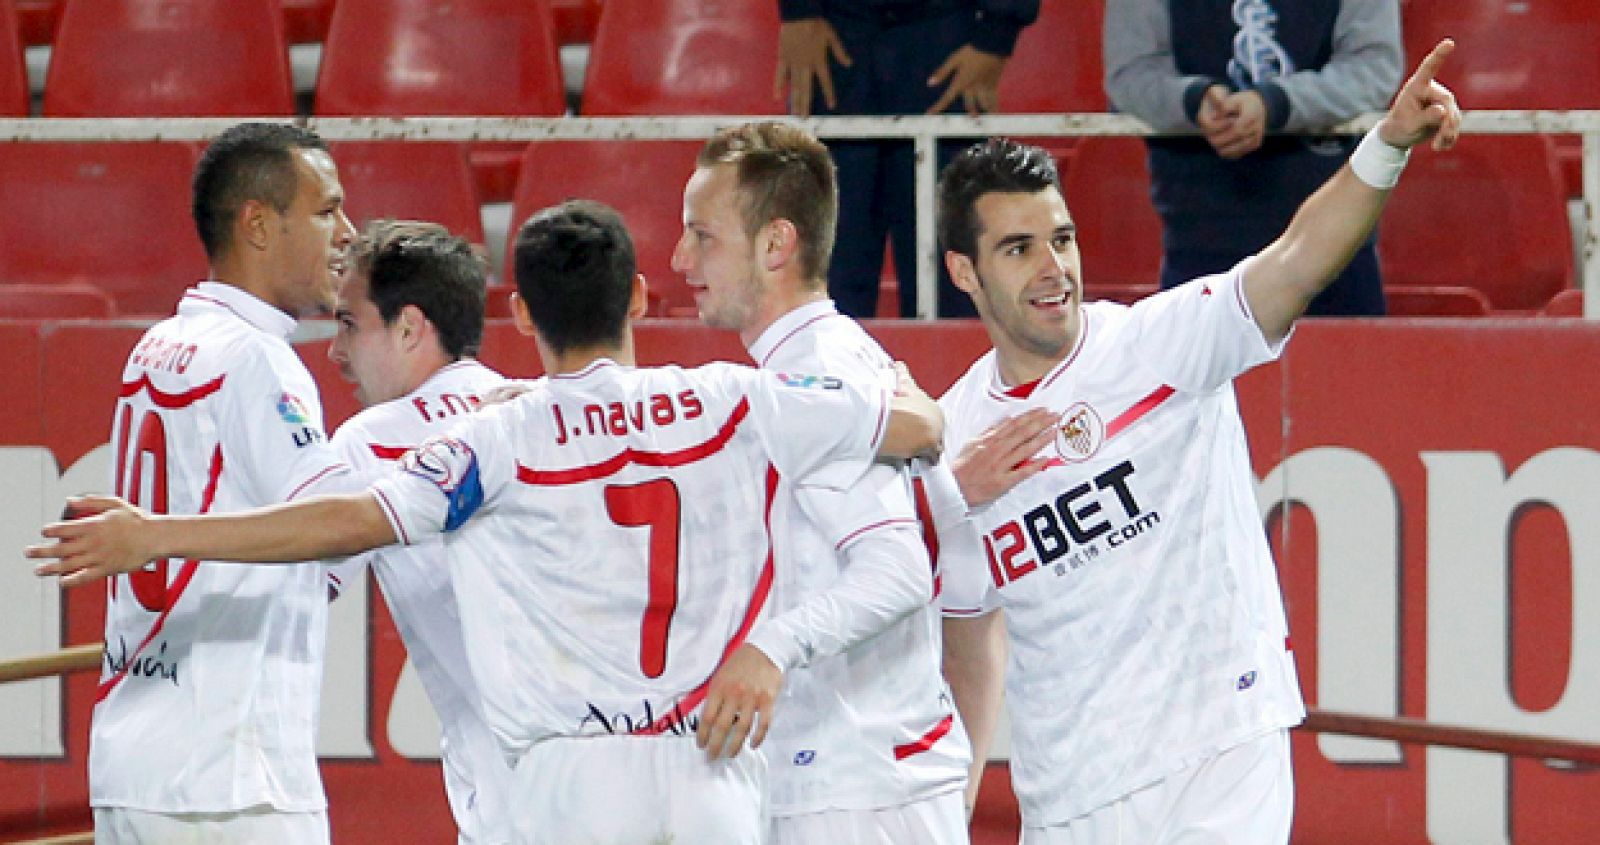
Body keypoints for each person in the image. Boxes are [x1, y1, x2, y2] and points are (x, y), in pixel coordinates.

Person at [34, 200, 948, 845]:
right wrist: (924, 412)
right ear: (635, 299)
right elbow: (910, 426)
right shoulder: (726, 398)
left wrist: (156, 534)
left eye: (349, 326)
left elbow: (343, 523)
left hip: (557, 784)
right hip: (708, 770)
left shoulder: (498, 438)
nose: (338, 347)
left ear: (520, 312)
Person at [934, 43, 1460, 842]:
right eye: (1018, 249)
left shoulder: (1160, 344)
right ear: (963, 272)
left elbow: (1296, 261)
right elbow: (968, 640)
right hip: (1069, 795)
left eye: (1063, 239)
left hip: (1220, 754)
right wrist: (948, 808)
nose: (1054, 268)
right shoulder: (955, 441)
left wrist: (1385, 144)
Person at [673, 120, 975, 842]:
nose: (682, 258)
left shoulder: (817, 376)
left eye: (702, 235)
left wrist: (774, 644)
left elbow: (901, 571)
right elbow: (962, 567)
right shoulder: (842, 364)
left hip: (853, 789)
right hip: (872, 778)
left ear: (776, 244)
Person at [86, 122, 356, 843]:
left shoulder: (158, 343)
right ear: (259, 224)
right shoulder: (257, 360)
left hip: (134, 766)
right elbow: (335, 523)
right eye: (328, 210)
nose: (348, 233)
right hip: (231, 783)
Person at [324, 219, 513, 843]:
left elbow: (297, 587)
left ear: (408, 327)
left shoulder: (369, 440)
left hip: (515, 792)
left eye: (349, 324)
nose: (335, 351)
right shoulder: (531, 404)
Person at [1104, 0, 1402, 315]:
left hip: (1337, 239)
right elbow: (1130, 75)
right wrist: (1193, 100)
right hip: (1200, 232)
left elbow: (1374, 67)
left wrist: (1278, 104)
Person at [775, 0, 1039, 319]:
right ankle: (820, 371)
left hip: (944, 39)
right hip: (832, 37)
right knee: (828, 283)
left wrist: (995, 37)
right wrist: (799, 11)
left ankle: (947, 368)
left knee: (950, 281)